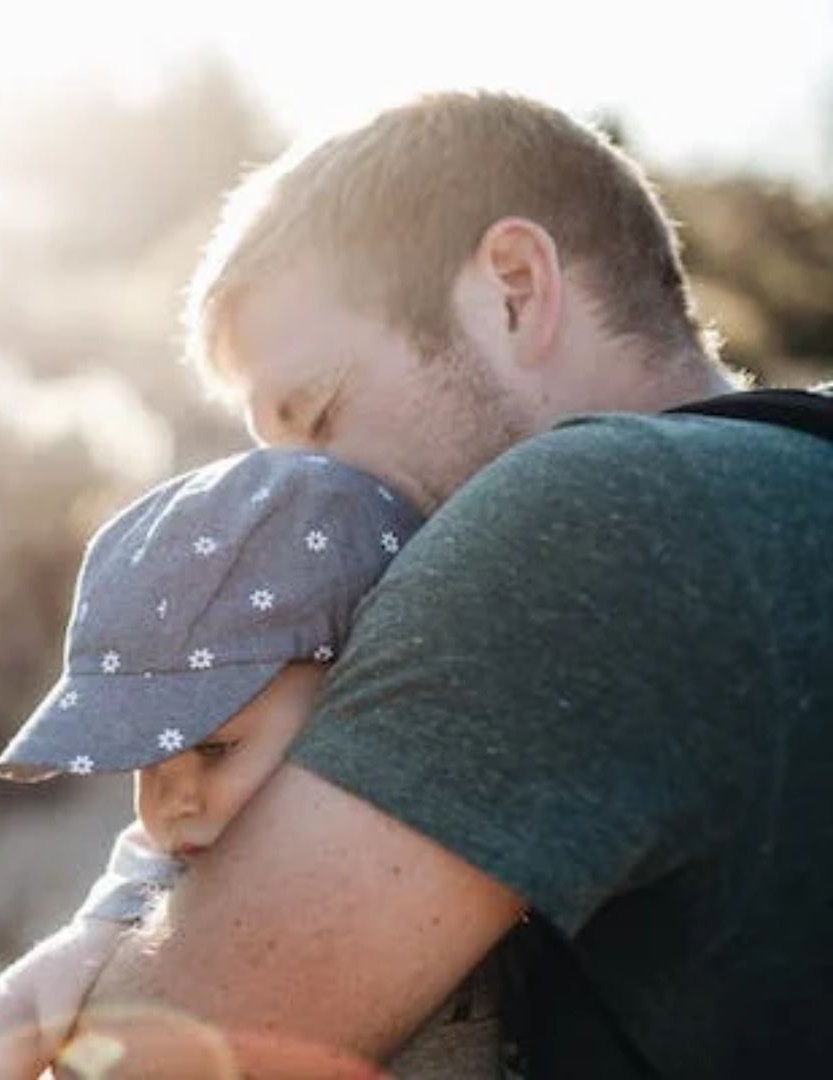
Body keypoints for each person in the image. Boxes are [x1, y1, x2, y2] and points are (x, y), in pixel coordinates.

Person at [60, 90, 833, 1078]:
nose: (303, 501)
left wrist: (86, 952)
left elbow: (146, 1065)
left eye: (320, 414)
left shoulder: (584, 517)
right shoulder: (786, 479)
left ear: (513, 287)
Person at [0, 449, 495, 1077]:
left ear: (354, 692)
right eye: (147, 760)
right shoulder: (161, 877)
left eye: (214, 749)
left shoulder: (447, 818)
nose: (173, 799)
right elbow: (21, 1003)